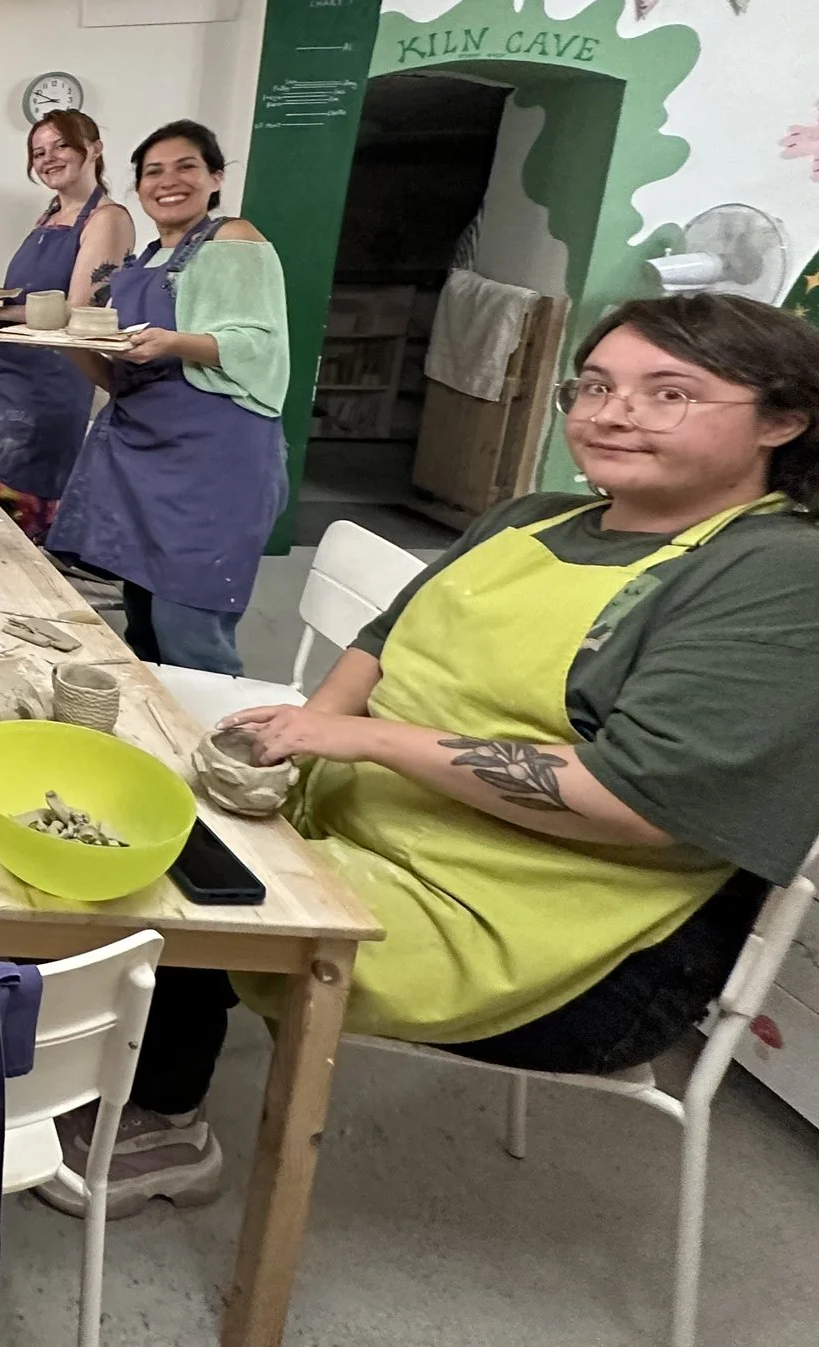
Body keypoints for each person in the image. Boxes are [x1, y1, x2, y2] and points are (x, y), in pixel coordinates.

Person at [51, 294, 819, 1218]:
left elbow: (639, 802)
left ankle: (163, 1125)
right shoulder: (537, 516)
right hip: (371, 822)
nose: (614, 413)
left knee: (168, 877)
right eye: (595, 386)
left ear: (782, 418)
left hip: (563, 929)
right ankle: (110, 1049)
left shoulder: (774, 571)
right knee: (118, 798)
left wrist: (363, 737)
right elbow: (384, 638)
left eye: (669, 393)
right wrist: (294, 742)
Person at [45, 121, 287, 675]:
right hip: (143, 451)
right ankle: (157, 724)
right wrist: (67, 343)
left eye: (186, 167)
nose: (167, 181)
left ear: (215, 177)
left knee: (190, 630)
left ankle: (210, 727)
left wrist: (174, 342)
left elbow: (259, 346)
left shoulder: (233, 239)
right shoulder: (150, 257)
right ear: (139, 186)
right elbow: (123, 376)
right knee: (144, 622)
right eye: (153, 172)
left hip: (210, 460)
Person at [0, 111, 134, 539]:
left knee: (21, 517)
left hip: (44, 389)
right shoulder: (51, 214)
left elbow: (75, 313)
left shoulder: (106, 218)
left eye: (61, 146)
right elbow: (31, 296)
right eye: (38, 152)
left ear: (94, 148)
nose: (48, 158)